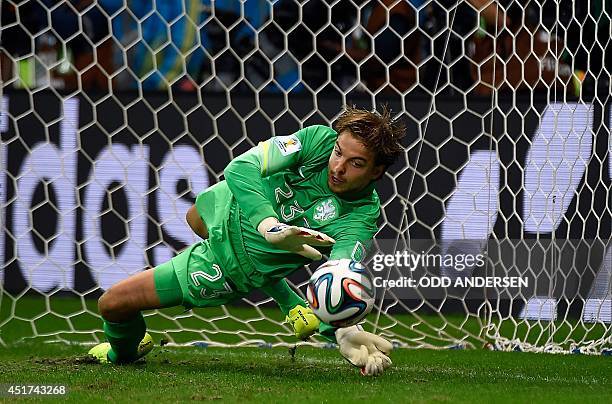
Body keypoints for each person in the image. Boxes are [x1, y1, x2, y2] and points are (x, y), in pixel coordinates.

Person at [88, 106, 405, 377]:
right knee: (194, 216)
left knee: (111, 304)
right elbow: (241, 167)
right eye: (339, 152)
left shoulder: (360, 217)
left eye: (356, 163)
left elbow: (338, 275)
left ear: (377, 171)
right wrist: (268, 223)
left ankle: (122, 354)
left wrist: (343, 330)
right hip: (228, 201)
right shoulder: (318, 141)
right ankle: (285, 296)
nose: (337, 167)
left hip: (229, 264)